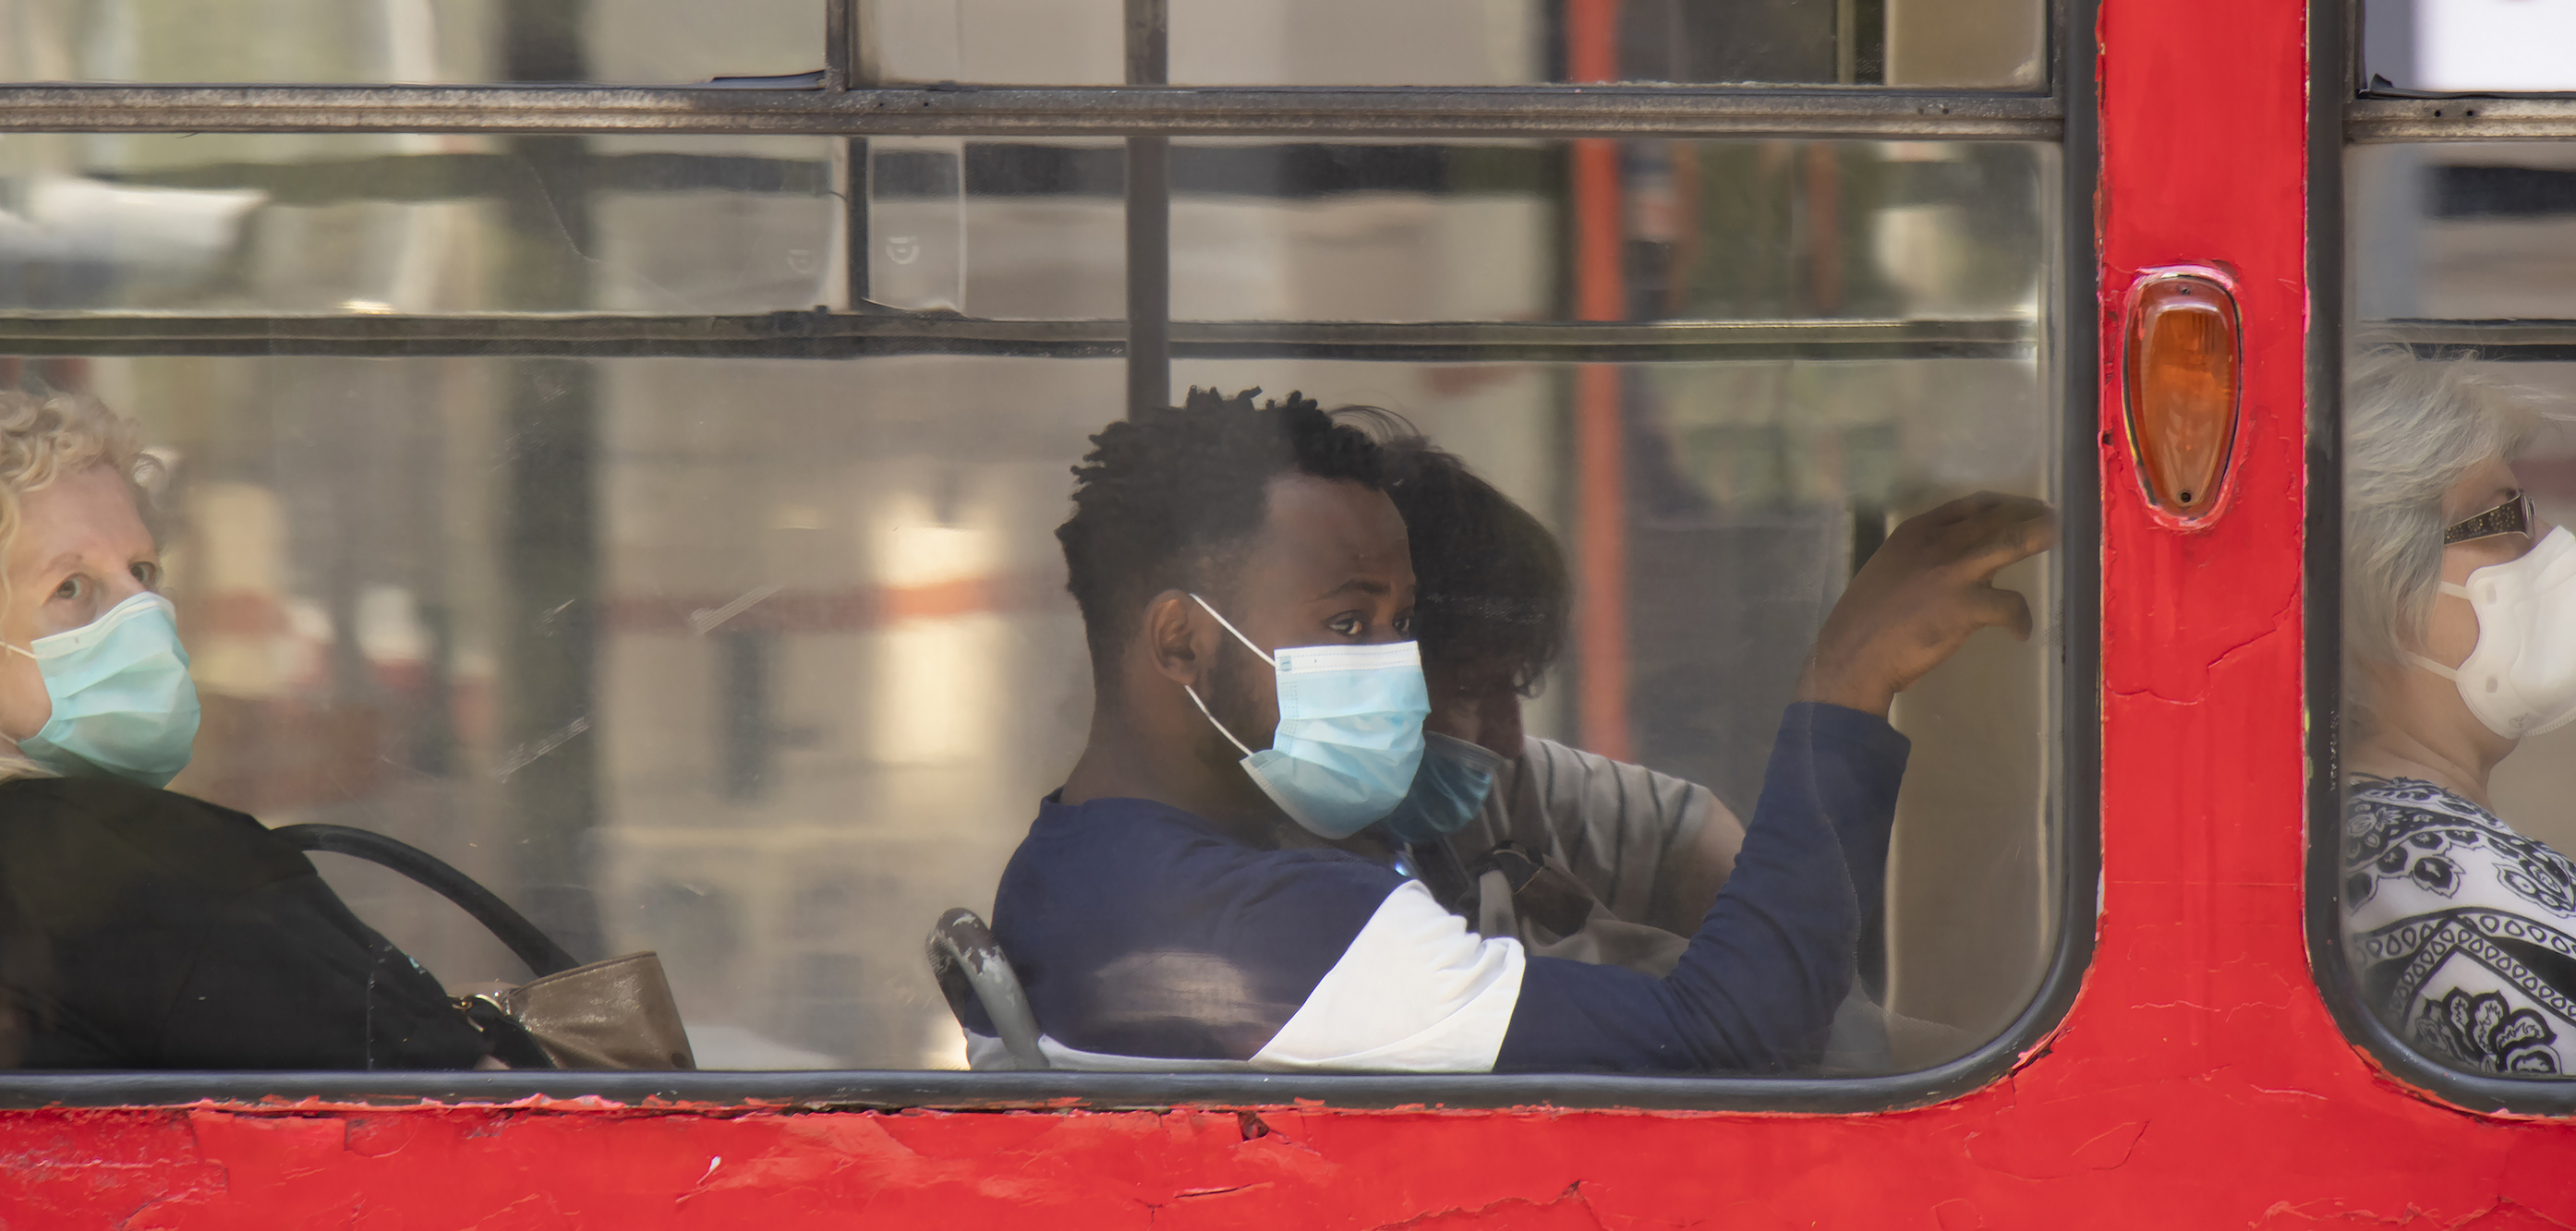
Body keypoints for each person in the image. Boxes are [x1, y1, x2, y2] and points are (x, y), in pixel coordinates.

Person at [987, 388, 2052, 1073]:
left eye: (1398, 627)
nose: (1390, 675)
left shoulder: (1089, 859)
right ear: (1179, 642)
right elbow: (1731, 1043)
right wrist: (1847, 676)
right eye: (1346, 623)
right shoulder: (1235, 930)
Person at [0, 388, 503, 1069]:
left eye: (143, 572)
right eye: (71, 587)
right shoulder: (154, 866)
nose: (143, 613)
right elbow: (471, 1100)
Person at [2341, 350, 2576, 1076]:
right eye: (2500, 518)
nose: (2547, 551)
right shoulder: (2441, 875)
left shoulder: (2372, 834)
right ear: (2376, 580)